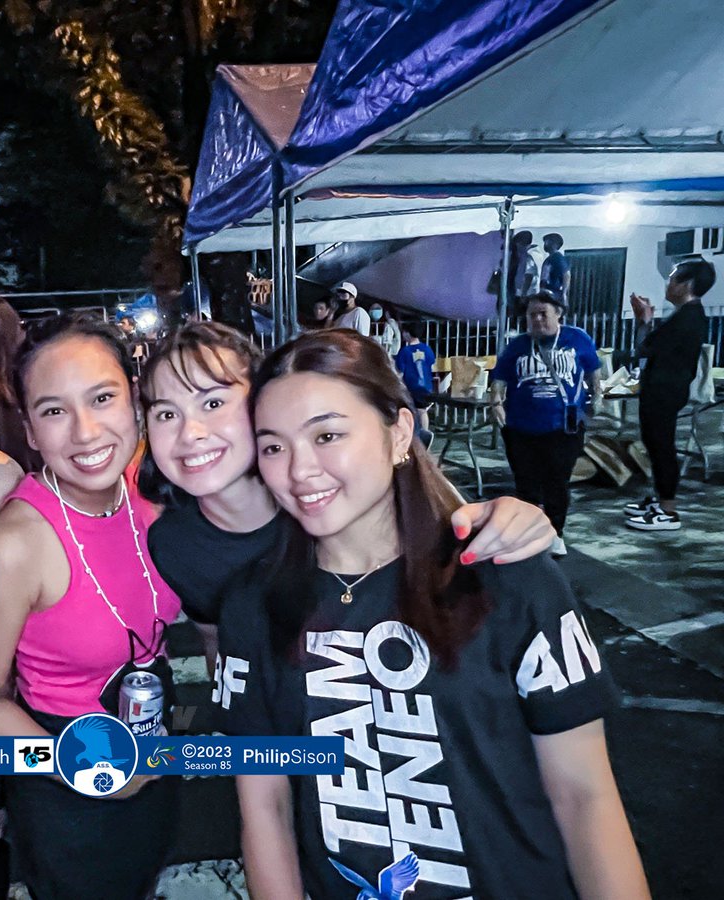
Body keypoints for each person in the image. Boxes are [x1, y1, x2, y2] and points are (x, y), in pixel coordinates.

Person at [219, 329, 649, 900]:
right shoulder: (255, 605)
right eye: (273, 446)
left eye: (327, 435)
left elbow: (585, 795)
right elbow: (266, 810)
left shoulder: (506, 577)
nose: (299, 470)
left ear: (399, 432)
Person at [139, 322, 557, 689]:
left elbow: (439, 515)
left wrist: (513, 521)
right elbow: (221, 652)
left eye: (213, 403)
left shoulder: (328, 501)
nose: (190, 433)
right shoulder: (174, 543)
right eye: (165, 414)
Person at [0, 314, 182, 900]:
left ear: (135, 403)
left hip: (153, 745)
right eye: (55, 410)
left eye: (103, 398)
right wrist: (80, 768)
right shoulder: (14, 543)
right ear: (31, 432)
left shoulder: (150, 494)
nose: (86, 432)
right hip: (66, 782)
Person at [490, 293, 602, 556]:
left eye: (543, 313)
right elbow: (500, 379)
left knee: (557, 482)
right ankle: (529, 533)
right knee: (526, 483)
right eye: (532, 315)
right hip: (521, 428)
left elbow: (593, 370)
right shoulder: (517, 346)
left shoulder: (577, 339)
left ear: (558, 313)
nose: (537, 319)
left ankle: (555, 532)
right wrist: (495, 402)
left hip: (563, 426)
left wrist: (598, 395)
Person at [623, 259, 715, 531]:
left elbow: (645, 348)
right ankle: (662, 500)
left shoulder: (687, 317)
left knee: (661, 445)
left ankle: (668, 510)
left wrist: (645, 322)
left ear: (686, 285)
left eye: (673, 278)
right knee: (655, 444)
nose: (668, 283)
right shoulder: (687, 314)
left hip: (665, 390)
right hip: (664, 388)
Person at [393, 324, 436, 431]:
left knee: (410, 412)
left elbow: (400, 372)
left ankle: (413, 435)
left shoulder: (405, 351)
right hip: (426, 386)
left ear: (407, 333)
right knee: (422, 411)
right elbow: (432, 365)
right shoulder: (427, 349)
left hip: (411, 387)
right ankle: (425, 434)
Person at [541, 232, 572, 305]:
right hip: (547, 292)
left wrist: (564, 293)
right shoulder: (549, 259)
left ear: (555, 244)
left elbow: (566, 274)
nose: (545, 244)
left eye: (548, 241)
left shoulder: (558, 258)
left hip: (554, 293)